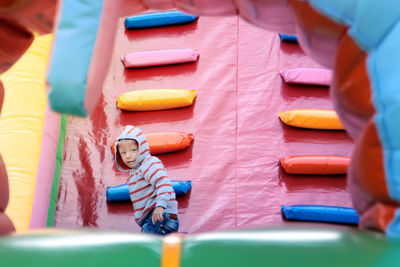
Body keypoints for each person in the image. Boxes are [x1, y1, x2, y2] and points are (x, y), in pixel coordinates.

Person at [114, 125, 179, 235]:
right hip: (154, 219)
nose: (128, 156)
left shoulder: (149, 163)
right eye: (123, 153)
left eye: (133, 150)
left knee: (147, 246)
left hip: (162, 216)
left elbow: (163, 182)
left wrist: (160, 205)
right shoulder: (135, 171)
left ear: (142, 148)